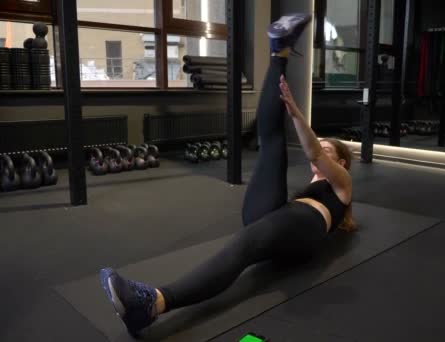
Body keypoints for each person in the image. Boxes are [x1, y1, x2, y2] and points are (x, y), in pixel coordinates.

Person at [98, 13, 355, 337]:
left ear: (342, 163)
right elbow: (311, 151)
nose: (322, 150)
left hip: (304, 231)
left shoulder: (342, 186)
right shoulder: (311, 183)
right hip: (283, 218)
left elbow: (314, 152)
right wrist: (289, 110)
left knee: (244, 245)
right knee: (271, 141)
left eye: (330, 150)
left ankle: (153, 303)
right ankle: (280, 50)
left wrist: (297, 113)